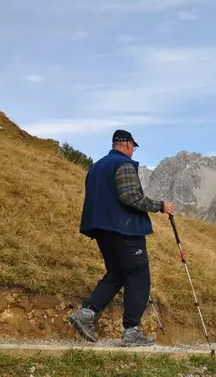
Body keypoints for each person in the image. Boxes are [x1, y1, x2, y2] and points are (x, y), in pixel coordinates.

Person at [69, 129, 174, 347]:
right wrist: (160, 206)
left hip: (101, 229)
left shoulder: (96, 167)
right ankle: (131, 331)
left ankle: (86, 314)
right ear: (126, 145)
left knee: (116, 273)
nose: (133, 151)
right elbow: (130, 197)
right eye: (133, 147)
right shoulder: (123, 164)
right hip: (124, 230)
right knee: (139, 276)